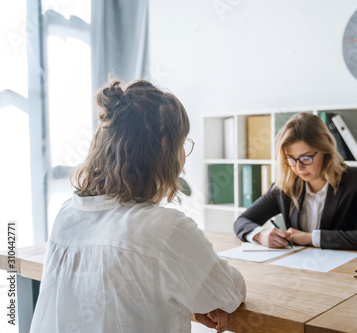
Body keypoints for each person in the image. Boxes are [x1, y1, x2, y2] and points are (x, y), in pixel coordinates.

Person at [30, 80, 246, 333]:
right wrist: (195, 295)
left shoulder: (67, 213)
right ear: (165, 147)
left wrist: (188, 294)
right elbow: (229, 292)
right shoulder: (166, 229)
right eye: (182, 144)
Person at [234, 112, 357, 250]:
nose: (298, 167)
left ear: (325, 151)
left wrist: (311, 238)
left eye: (306, 158)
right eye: (291, 159)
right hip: (299, 270)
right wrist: (260, 235)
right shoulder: (284, 187)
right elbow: (242, 221)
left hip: (343, 272)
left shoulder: (356, 180)